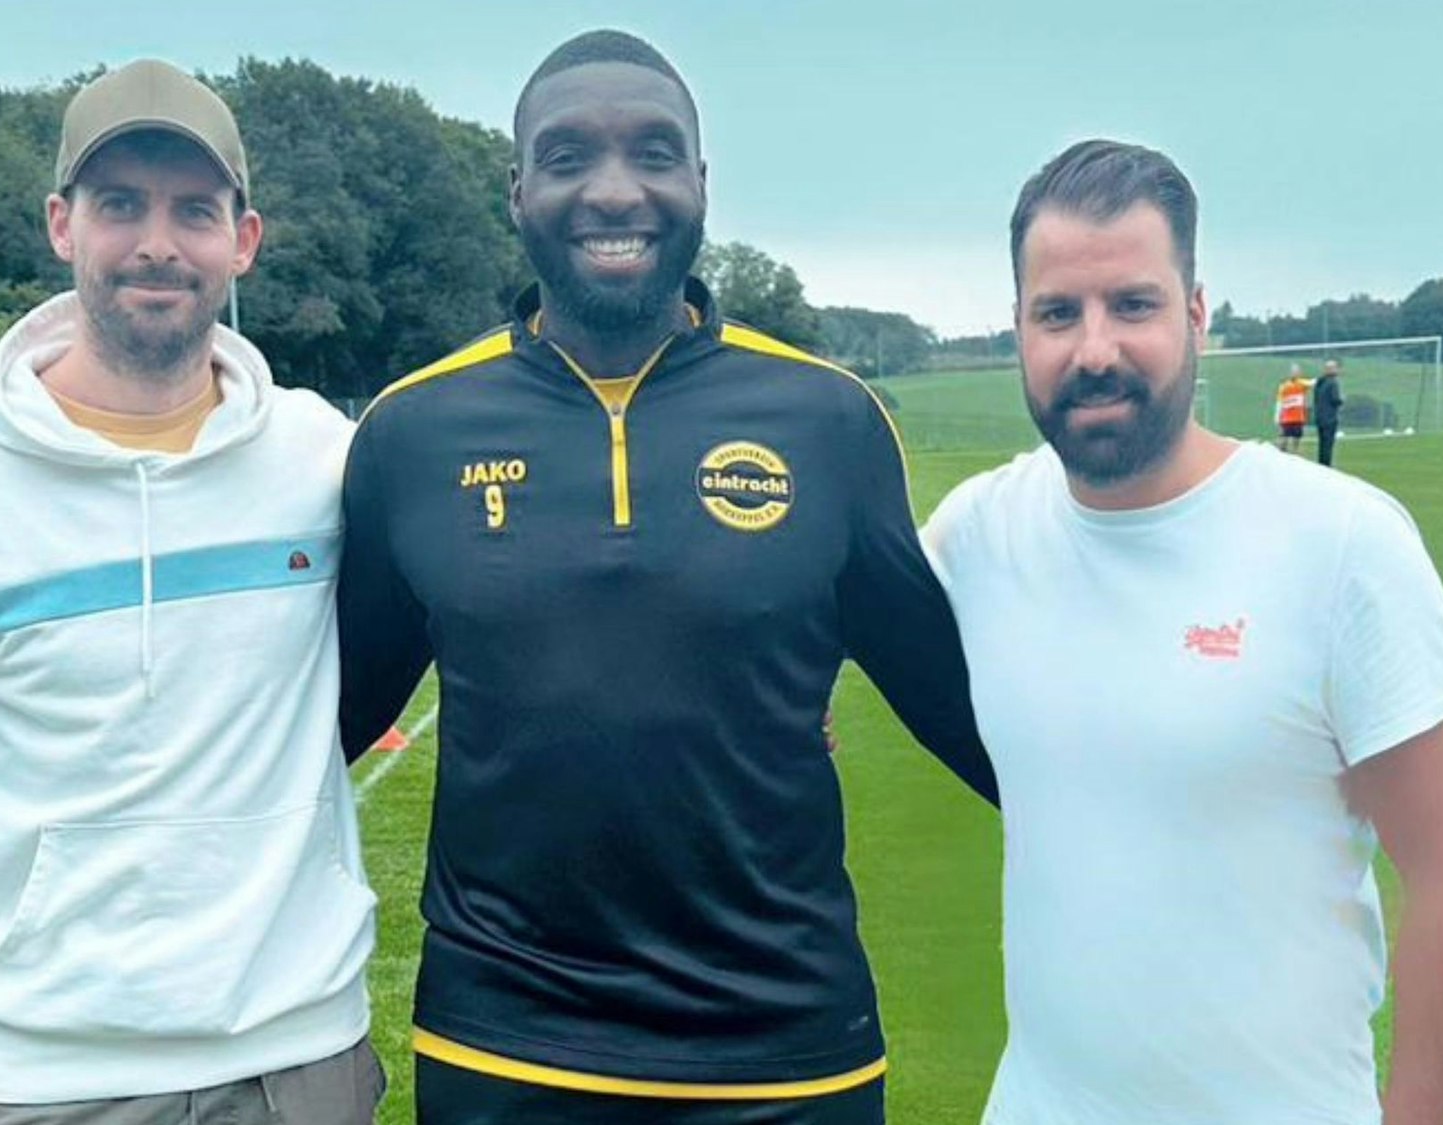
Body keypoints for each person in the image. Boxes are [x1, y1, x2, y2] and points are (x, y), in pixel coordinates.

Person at [337, 29, 997, 1125]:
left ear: (699, 182)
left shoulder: (826, 419)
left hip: (789, 1054)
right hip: (506, 1047)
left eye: (652, 152)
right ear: (515, 190)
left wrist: (1188, 847)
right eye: (565, 158)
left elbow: (963, 712)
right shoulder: (412, 432)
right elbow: (323, 727)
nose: (613, 191)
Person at [0, 60, 382, 1125]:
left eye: (193, 210)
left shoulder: (322, 460)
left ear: (241, 241)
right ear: (62, 225)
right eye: (121, 205)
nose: (157, 242)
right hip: (44, 1088)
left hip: (303, 1066)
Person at [919, 139, 1443, 1125]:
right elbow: (790, 640)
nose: (1093, 348)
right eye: (1056, 312)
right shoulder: (975, 535)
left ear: (1196, 314)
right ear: (1015, 328)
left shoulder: (1338, 543)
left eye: (1133, 305)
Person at [1313, 356, 1345, 465]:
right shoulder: (1333, 383)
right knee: (1328, 444)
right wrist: (1341, 401)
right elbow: (1335, 399)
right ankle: (1326, 465)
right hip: (1330, 418)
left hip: (1319, 417)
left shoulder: (1319, 383)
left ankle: (1321, 464)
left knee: (1321, 444)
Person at [1273, 363, 1310, 453]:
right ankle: (1281, 454)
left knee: (1297, 440)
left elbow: (1314, 382)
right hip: (1286, 418)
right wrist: (1277, 417)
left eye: (1297, 372)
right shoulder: (1284, 386)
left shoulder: (1302, 383)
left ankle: (1295, 456)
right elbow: (1279, 402)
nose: (1295, 374)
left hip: (1298, 418)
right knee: (1283, 440)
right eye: (1293, 372)